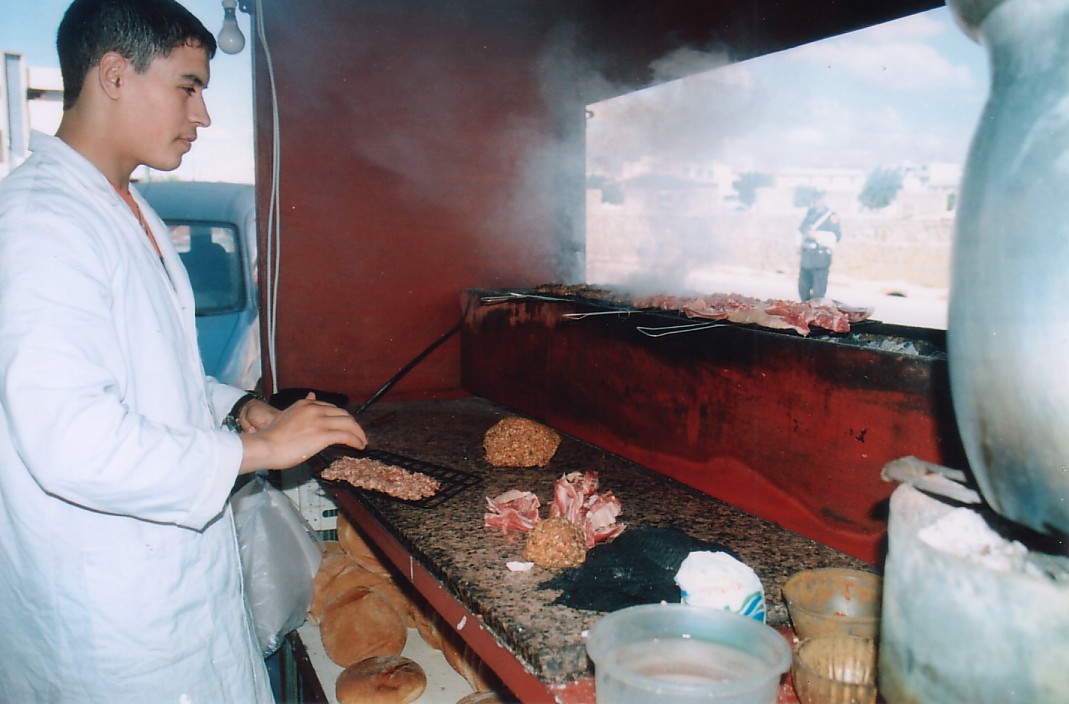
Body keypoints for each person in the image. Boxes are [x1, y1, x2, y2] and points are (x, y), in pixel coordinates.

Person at [0, 1, 368, 701]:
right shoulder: (41, 221)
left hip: (165, 595)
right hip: (109, 625)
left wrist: (237, 410)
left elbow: (146, 376)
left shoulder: (123, 205)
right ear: (114, 75)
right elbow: (70, 441)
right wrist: (259, 451)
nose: (202, 115)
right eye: (188, 86)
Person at [796, 193, 842, 301]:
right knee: (803, 289)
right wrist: (798, 244)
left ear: (823, 199)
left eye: (818, 198)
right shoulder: (810, 213)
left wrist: (816, 235)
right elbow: (801, 230)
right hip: (807, 256)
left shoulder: (830, 216)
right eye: (814, 198)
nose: (815, 201)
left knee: (818, 292)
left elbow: (835, 237)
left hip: (820, 257)